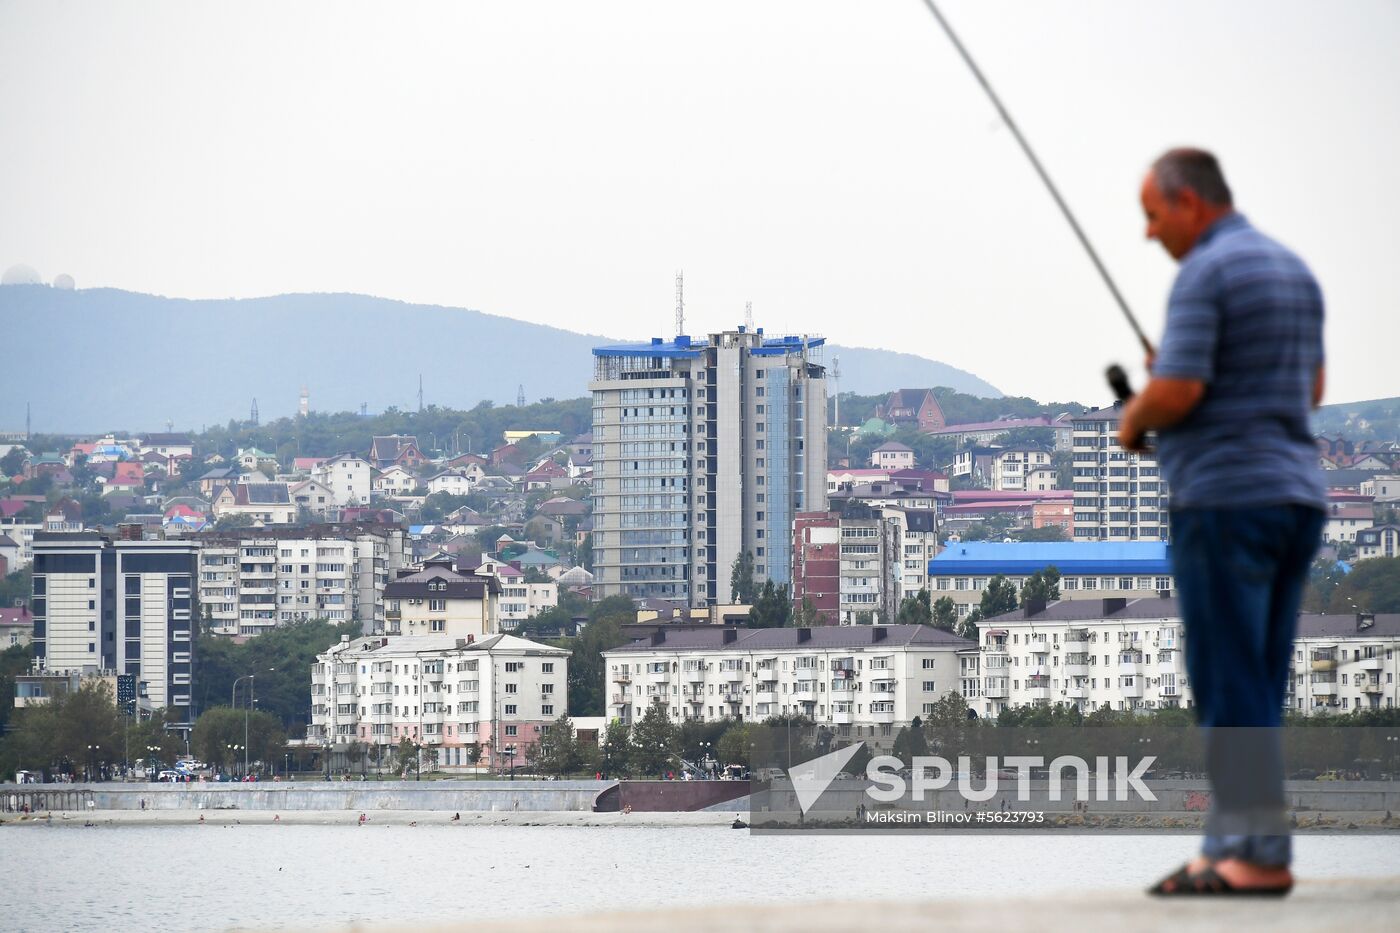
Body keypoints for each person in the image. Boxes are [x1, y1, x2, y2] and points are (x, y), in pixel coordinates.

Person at [1120, 148, 1325, 897]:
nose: (1149, 233)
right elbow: (1313, 386)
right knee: (1259, 678)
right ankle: (1223, 846)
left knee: (1226, 677)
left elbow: (1177, 392)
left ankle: (1257, 851)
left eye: (1153, 214)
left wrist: (1136, 415)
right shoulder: (1290, 269)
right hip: (1296, 499)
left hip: (1226, 500)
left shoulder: (1204, 272)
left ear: (1190, 203)